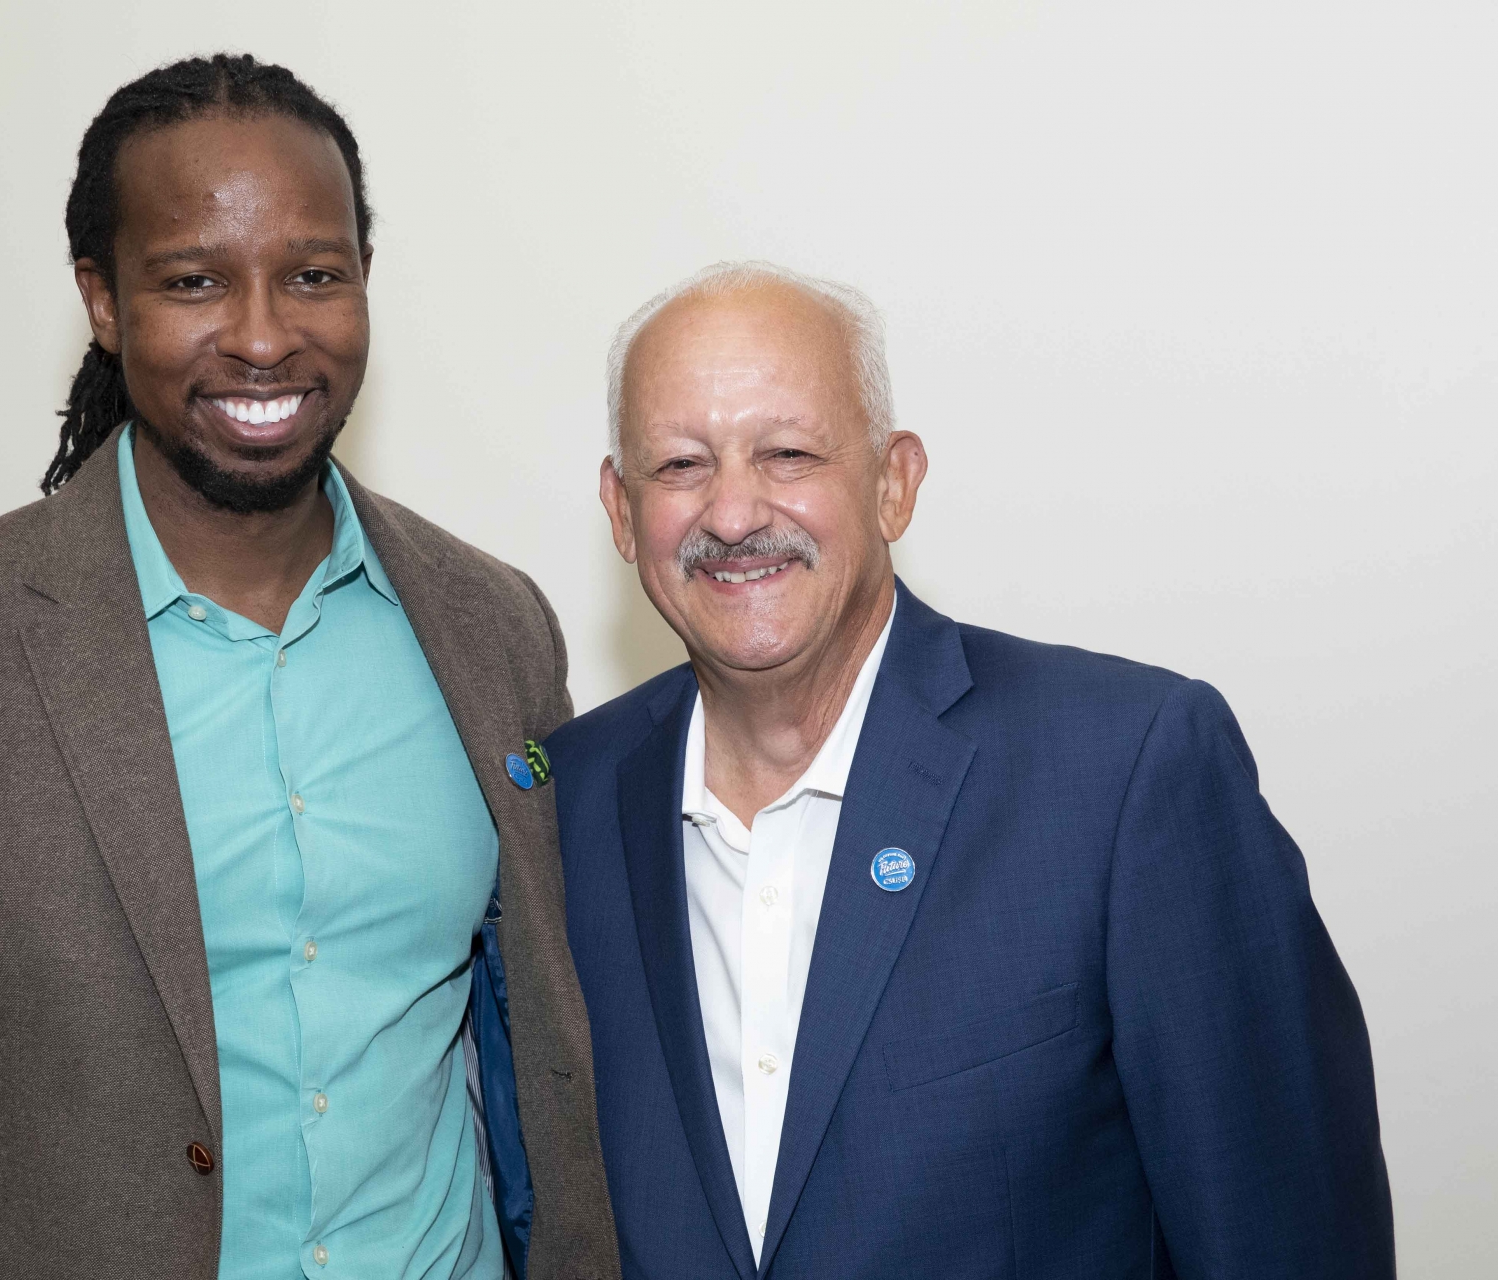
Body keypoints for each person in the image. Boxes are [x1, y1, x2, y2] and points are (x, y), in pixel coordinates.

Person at [0, 54, 619, 1280]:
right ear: (103, 299)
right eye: (194, 281)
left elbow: (549, 1048)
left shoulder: (493, 626)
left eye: (314, 274)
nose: (263, 336)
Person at [548, 261, 1392, 1279]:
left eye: (788, 452)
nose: (732, 514)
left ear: (894, 481)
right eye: (680, 464)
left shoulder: (1127, 770)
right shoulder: (561, 805)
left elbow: (1286, 1242)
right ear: (618, 506)